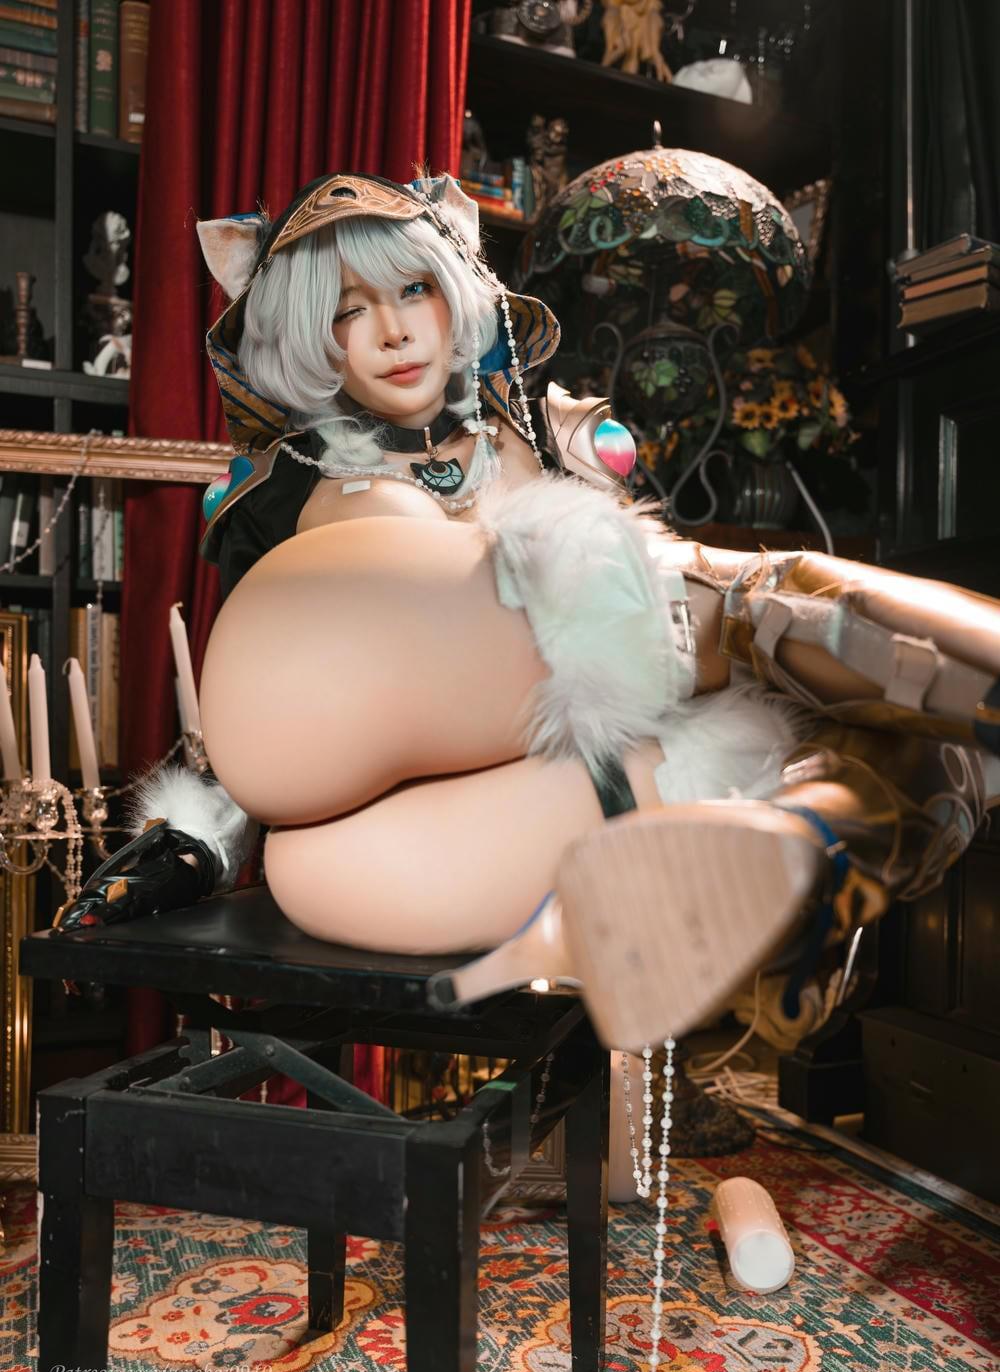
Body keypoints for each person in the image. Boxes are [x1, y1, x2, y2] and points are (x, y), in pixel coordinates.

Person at [56, 170, 1000, 1056]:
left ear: (455, 291)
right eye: (346, 312)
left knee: (902, 743)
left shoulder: (554, 436)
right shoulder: (293, 491)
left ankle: (799, 856)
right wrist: (197, 841)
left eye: (413, 290)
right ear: (309, 338)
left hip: (561, 796)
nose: (392, 332)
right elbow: (282, 714)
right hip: (375, 839)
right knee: (754, 608)